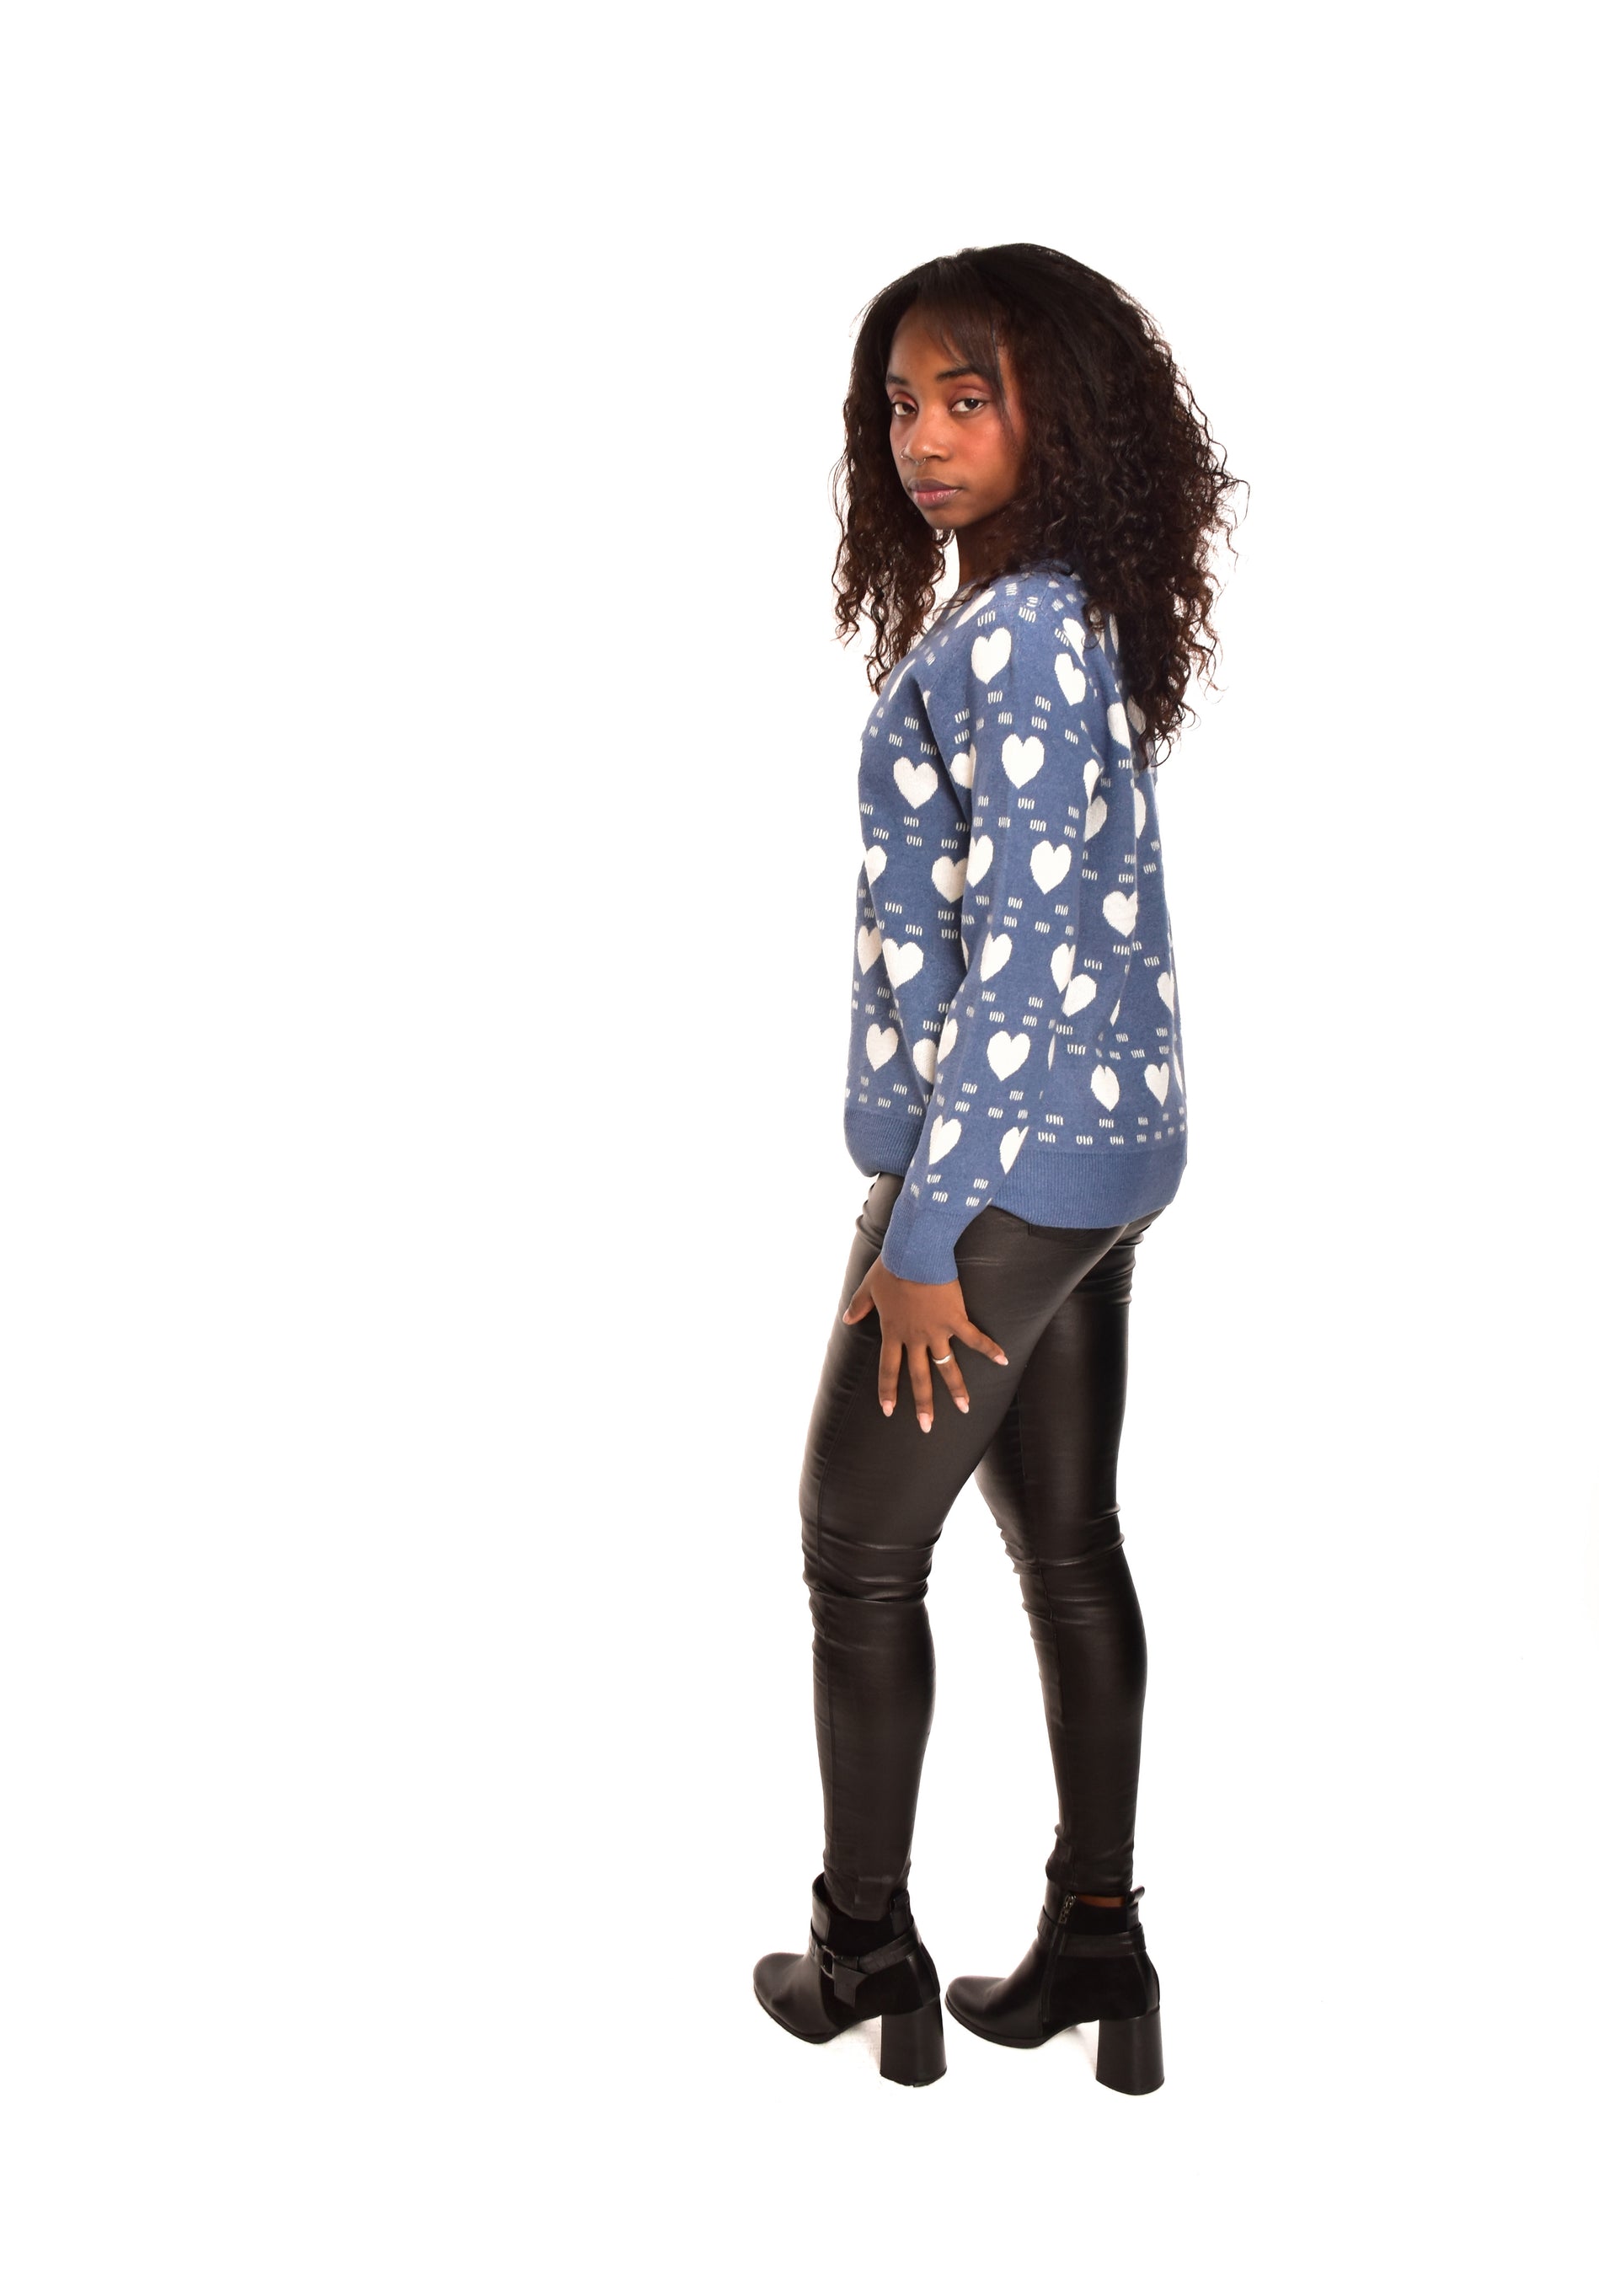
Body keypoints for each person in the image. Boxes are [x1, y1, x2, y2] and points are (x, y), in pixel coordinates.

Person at [751, 244, 1242, 2089]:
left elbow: (1022, 963)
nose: (924, 439)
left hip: (1001, 1179)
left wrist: (928, 1229)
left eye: (969, 399)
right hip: (1093, 1161)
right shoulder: (1058, 614)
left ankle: (862, 1948)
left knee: (855, 1553)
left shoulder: (1019, 635)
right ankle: (1099, 1944)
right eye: (899, 404)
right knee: (1067, 1548)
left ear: (1063, 415)